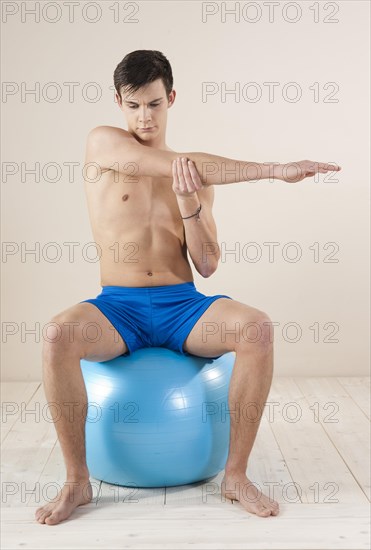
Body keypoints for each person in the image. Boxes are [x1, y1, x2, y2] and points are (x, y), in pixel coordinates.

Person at [35, 50, 341, 525]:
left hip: (182, 306)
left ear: (171, 98)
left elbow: (207, 263)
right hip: (119, 306)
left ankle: (235, 476)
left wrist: (188, 203)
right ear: (118, 101)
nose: (145, 116)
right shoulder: (104, 144)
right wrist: (274, 170)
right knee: (57, 336)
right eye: (134, 105)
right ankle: (77, 481)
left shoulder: (195, 178)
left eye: (155, 104)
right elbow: (182, 161)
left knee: (256, 329)